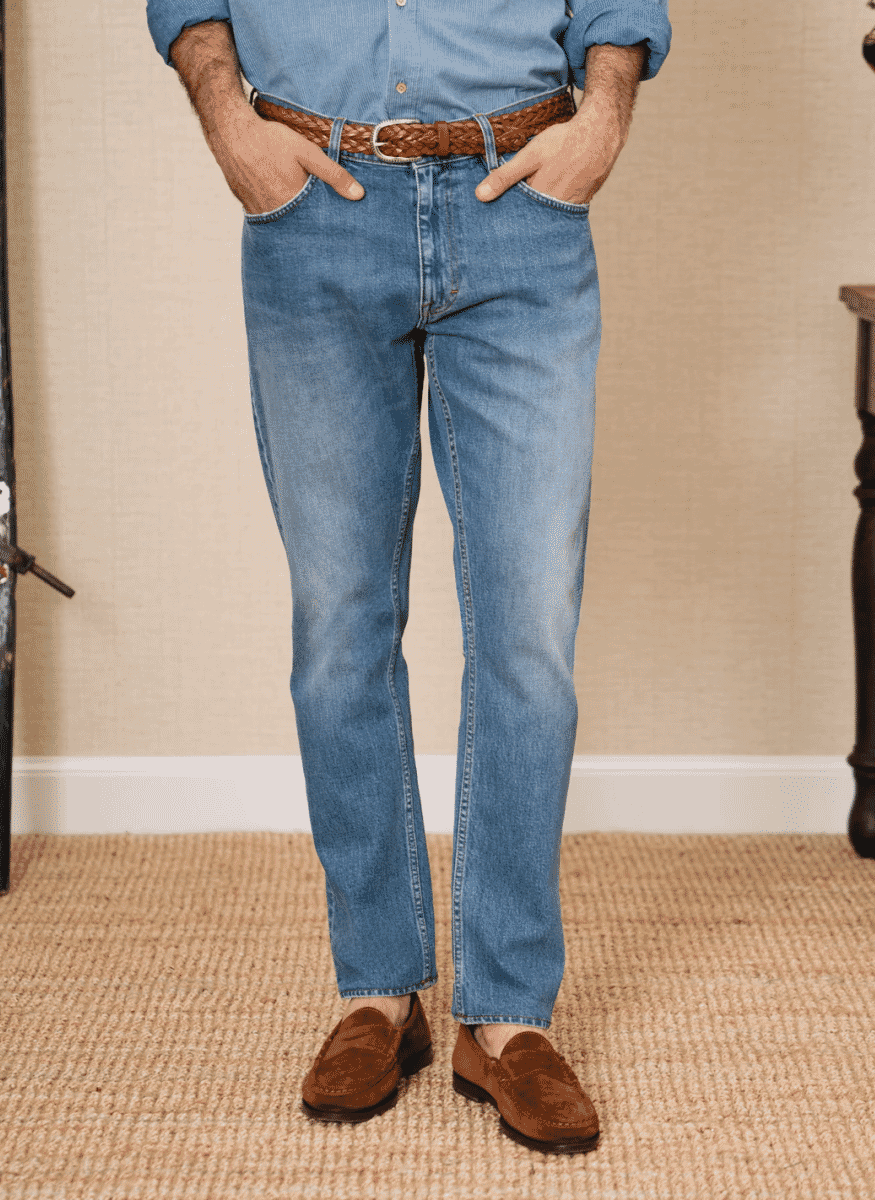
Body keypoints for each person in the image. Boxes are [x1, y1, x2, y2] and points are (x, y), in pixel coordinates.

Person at [146, 0, 671, 1156]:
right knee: (340, 622)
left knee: (527, 630)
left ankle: (507, 1016)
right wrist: (226, 118)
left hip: (518, 208)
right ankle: (377, 994)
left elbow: (621, 5)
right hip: (315, 203)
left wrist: (602, 120)